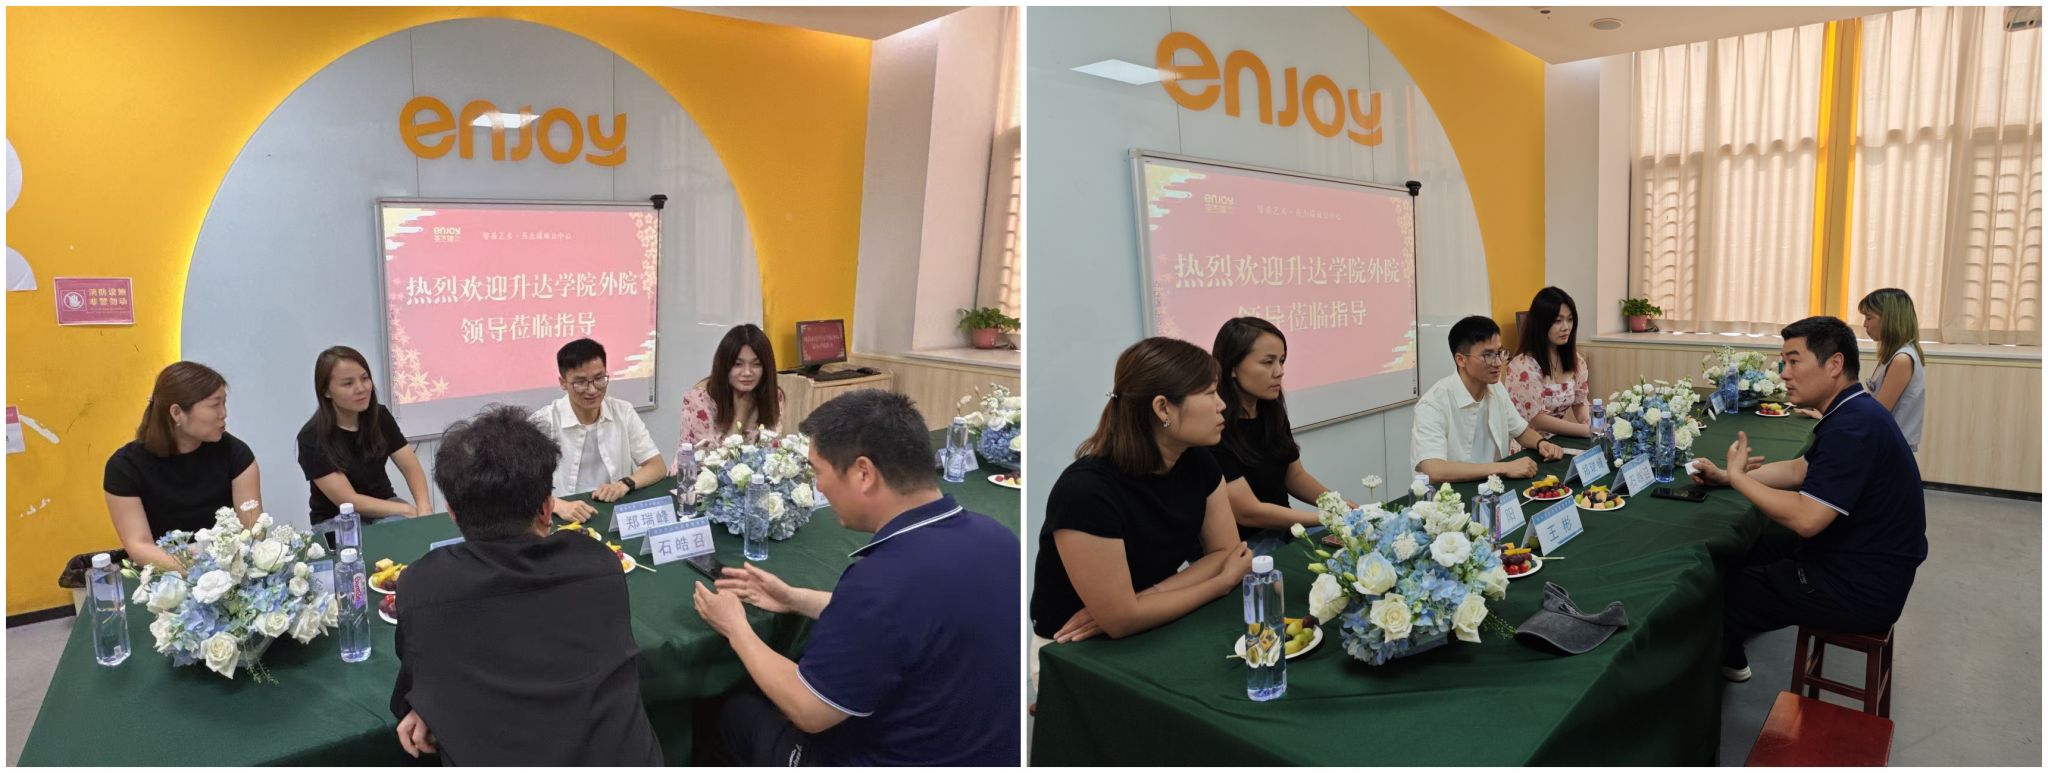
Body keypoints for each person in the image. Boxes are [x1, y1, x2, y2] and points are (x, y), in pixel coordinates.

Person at [692, 389, 1019, 766]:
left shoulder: (881, 580)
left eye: (818, 472)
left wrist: (736, 628)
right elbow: (910, 620)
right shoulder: (999, 538)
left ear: (863, 473)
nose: (818, 487)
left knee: (729, 711)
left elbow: (809, 710)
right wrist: (795, 598)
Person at [389, 405, 662, 765]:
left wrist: (426, 705)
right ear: (547, 509)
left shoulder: (422, 585)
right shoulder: (598, 561)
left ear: (452, 513)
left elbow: (415, 686)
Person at [1688, 316, 1927, 682]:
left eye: (1794, 361)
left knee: (1723, 592)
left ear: (1834, 364)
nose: (1784, 373)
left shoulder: (1852, 427)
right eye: (1784, 362)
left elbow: (1807, 519)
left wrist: (1739, 478)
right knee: (1752, 544)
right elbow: (1800, 469)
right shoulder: (1854, 409)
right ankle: (1732, 640)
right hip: (1861, 559)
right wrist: (1725, 476)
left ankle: (1718, 665)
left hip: (1860, 589)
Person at [1029, 337, 1255, 673]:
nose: (1222, 404)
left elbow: (1226, 553)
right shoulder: (1085, 492)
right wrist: (1219, 584)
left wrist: (1142, 601)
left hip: (1156, 623)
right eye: (1210, 393)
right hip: (1076, 650)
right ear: (1163, 408)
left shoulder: (1197, 461)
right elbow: (1121, 622)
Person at [104, 362, 262, 569]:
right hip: (164, 574)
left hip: (229, 569)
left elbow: (252, 531)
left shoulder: (236, 454)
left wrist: (224, 572)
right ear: (177, 413)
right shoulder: (124, 468)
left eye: (224, 403)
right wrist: (197, 574)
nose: (223, 413)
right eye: (215, 405)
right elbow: (139, 546)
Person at [1210, 317, 1351, 538]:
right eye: (1268, 362)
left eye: (1282, 361)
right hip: (1246, 545)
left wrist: (1338, 505)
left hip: (1285, 531)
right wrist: (1324, 518)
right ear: (1233, 367)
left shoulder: (1270, 411)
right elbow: (1248, 512)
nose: (1279, 371)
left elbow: (1295, 476)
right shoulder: (1214, 426)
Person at [1411, 316, 1565, 484]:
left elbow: (1520, 431)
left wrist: (1541, 443)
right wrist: (1503, 468)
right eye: (1488, 355)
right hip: (1451, 494)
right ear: (1461, 359)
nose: (1498, 362)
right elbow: (1433, 470)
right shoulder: (1433, 404)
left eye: (1500, 353)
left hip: (1493, 486)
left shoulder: (1496, 388)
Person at [529, 338, 666, 523]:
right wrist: (557, 505)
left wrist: (624, 484)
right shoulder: (544, 422)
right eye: (580, 382)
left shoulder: (622, 411)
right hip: (562, 516)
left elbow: (657, 466)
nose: (592, 390)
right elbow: (519, 486)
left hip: (613, 512)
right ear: (563, 383)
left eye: (599, 379)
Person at [295, 346, 431, 524]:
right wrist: (406, 509)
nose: (361, 388)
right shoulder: (311, 437)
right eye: (348, 383)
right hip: (337, 519)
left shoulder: (379, 416)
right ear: (326, 391)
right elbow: (348, 500)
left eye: (365, 378)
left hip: (386, 506)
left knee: (412, 531)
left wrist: (424, 507)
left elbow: (410, 466)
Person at [675, 323, 785, 463]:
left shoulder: (773, 396)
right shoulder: (699, 400)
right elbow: (713, 466)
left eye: (756, 364)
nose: (747, 372)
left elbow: (773, 454)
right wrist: (740, 417)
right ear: (724, 365)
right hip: (696, 474)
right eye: (738, 364)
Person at [1504, 287, 1593, 444]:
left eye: (1570, 319)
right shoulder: (1522, 367)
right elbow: (1538, 420)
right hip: (1529, 445)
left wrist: (1587, 421)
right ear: (1540, 323)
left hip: (1560, 441)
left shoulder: (1576, 361)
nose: (1566, 327)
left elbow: (1580, 402)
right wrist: (1585, 430)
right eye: (1558, 321)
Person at [1855, 288, 1927, 451]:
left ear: (1889, 319)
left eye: (1869, 318)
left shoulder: (1902, 359)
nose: (1865, 324)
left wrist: (1837, 417)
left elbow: (1877, 412)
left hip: (1891, 447)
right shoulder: (1893, 355)